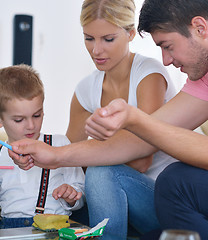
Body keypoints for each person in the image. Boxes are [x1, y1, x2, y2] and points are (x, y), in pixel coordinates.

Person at [8, 0, 208, 238]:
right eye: (89, 38)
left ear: (200, 28)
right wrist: (53, 156)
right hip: (158, 199)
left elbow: (145, 150)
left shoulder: (149, 73)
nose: (166, 60)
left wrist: (132, 120)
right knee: (78, 208)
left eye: (168, 46)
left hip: (162, 191)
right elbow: (145, 139)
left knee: (173, 180)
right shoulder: (201, 82)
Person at [65, 0, 178, 238]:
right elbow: (71, 161)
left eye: (108, 39)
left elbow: (141, 161)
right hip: (115, 199)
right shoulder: (85, 90)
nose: (96, 50)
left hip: (164, 201)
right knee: (61, 205)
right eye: (89, 38)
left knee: (100, 172)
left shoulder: (149, 73)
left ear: (130, 34)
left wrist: (91, 152)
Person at [0, 64, 85, 229]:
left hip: (53, 230)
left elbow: (81, 192)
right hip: (10, 232)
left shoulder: (60, 145)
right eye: (19, 120)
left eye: (37, 115)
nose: (30, 126)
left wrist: (71, 196)